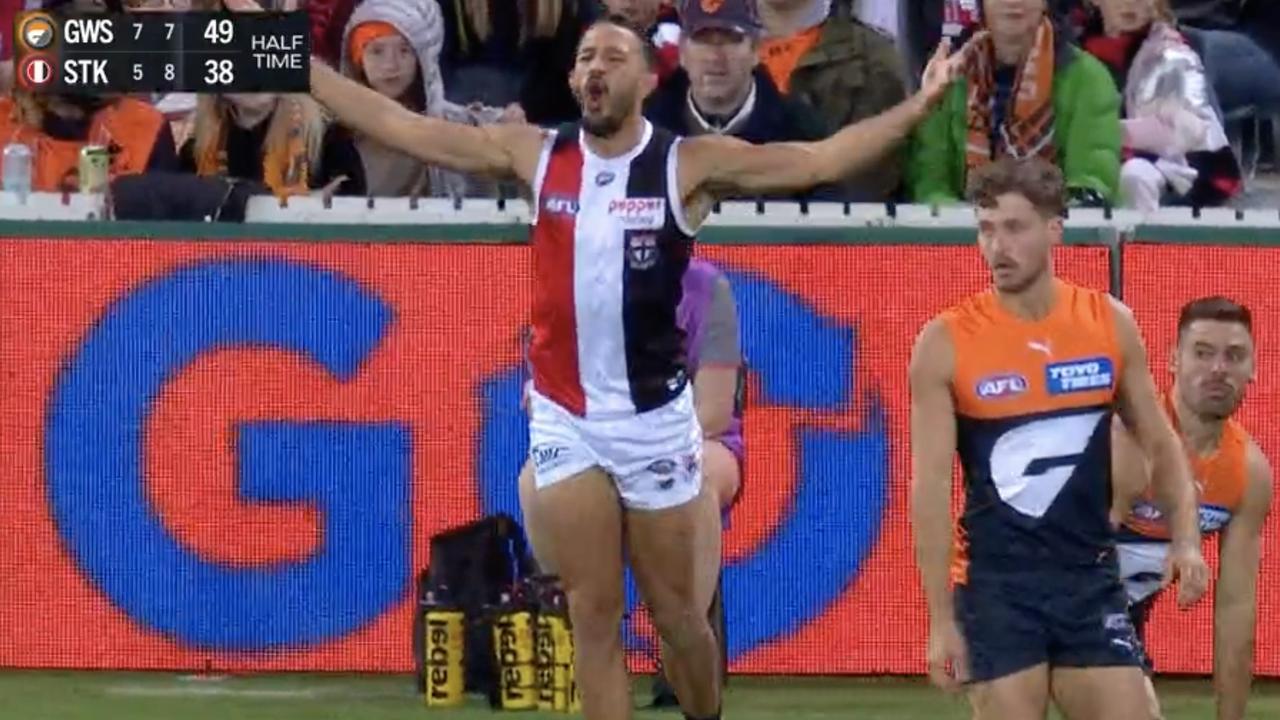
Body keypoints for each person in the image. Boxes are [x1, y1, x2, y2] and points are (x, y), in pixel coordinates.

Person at [228, 0, 962, 716]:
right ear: (575, 82)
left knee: (679, 623)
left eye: (615, 56)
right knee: (593, 615)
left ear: (648, 78)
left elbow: (819, 158)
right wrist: (288, 54)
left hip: (655, 424)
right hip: (566, 419)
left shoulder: (685, 165)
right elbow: (400, 124)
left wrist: (920, 106)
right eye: (586, 58)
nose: (596, 68)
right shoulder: (536, 154)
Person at [908, 155, 1209, 720]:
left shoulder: (1107, 323)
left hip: (1087, 579)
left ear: (1054, 229)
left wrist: (1186, 539)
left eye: (1015, 228)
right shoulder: (945, 343)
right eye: (986, 229)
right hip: (997, 586)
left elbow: (1161, 442)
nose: (997, 246)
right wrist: (941, 622)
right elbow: (929, 489)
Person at [516, 256, 745, 708]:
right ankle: (563, 599)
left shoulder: (707, 291)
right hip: (592, 441)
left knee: (679, 608)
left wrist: (642, 443)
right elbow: (544, 393)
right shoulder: (565, 285)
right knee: (534, 481)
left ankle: (688, 645)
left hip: (695, 440)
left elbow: (716, 412)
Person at [1111, 296, 1273, 720]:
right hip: (1050, 595)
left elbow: (1236, 608)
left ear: (1253, 368)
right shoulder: (1127, 437)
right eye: (1202, 353)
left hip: (1121, 616)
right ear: (1172, 361)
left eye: (1234, 356)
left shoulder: (1249, 473)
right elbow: (1073, 552)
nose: (1218, 368)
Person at [907, 0, 1123, 208]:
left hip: (1053, 235)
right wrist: (972, 227)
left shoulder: (1088, 78)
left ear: (1045, 3)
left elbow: (1090, 182)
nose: (1013, 1)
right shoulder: (949, 77)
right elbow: (930, 184)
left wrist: (1030, 226)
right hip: (965, 234)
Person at [340, 0, 522, 198]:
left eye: (404, 51)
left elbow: (495, 141)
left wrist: (508, 126)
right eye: (377, 51)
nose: (390, 64)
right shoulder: (339, 133)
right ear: (358, 59)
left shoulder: (450, 123)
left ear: (422, 58)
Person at [1077, 0, 1240, 212]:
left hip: (1176, 165)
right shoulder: (1074, 54)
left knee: (1135, 175)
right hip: (1094, 157)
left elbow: (1176, 133)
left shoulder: (1174, 55)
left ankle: (1143, 243)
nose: (1130, 4)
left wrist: (1102, 134)